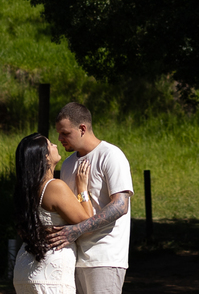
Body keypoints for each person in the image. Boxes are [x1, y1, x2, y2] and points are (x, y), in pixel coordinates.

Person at [46, 102, 134, 294]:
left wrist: (77, 230)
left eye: (65, 133)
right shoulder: (68, 164)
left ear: (82, 129)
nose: (60, 138)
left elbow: (120, 205)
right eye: (59, 133)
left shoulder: (111, 156)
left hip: (105, 258)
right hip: (73, 259)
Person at [13, 132, 95, 294]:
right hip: (50, 273)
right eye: (50, 145)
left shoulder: (24, 192)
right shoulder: (54, 187)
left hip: (24, 269)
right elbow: (88, 222)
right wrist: (82, 189)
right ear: (45, 157)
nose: (56, 145)